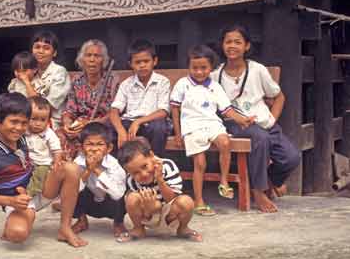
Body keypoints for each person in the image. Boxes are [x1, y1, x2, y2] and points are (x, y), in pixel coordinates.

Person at [0, 93, 87, 247]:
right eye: (13, 122)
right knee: (17, 234)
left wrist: (58, 160)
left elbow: (48, 135)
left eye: (24, 123)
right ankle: (15, 220)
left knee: (72, 169)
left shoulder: (25, 135)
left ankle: (65, 228)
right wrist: (11, 201)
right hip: (18, 201)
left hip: (42, 188)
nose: (19, 128)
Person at [211, 24, 301, 213]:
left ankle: (271, 180)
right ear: (222, 45)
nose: (232, 46)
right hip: (235, 124)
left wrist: (272, 119)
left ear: (247, 46)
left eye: (238, 42)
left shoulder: (257, 70)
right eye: (228, 42)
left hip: (263, 122)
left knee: (292, 157)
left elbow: (279, 96)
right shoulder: (215, 75)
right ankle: (258, 191)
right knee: (260, 138)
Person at [170, 45, 255, 216]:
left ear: (211, 68)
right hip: (191, 127)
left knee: (225, 141)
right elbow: (174, 108)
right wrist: (178, 133)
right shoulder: (183, 84)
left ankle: (223, 180)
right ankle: (199, 200)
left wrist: (242, 120)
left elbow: (227, 110)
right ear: (189, 67)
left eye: (204, 68)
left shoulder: (215, 86)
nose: (199, 72)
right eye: (195, 68)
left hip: (212, 123)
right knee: (200, 163)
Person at [116, 138, 202, 243]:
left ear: (151, 156)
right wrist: (149, 209)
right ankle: (138, 229)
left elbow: (172, 198)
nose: (143, 174)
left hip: (170, 213)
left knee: (186, 201)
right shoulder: (131, 180)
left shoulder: (168, 166)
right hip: (148, 214)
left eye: (145, 166)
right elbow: (143, 209)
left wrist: (160, 180)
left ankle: (183, 229)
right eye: (135, 173)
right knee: (131, 198)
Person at [110, 39, 170, 156]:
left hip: (152, 122)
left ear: (155, 61)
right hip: (130, 123)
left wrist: (139, 121)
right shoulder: (126, 84)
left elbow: (163, 111)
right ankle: (121, 168)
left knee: (159, 127)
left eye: (146, 61)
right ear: (131, 64)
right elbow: (114, 111)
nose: (142, 65)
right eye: (137, 62)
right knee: (110, 129)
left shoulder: (162, 81)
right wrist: (121, 130)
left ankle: (156, 162)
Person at [61, 39, 119, 159]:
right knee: (60, 135)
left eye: (96, 56)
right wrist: (68, 124)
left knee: (94, 137)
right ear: (82, 59)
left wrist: (91, 123)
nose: (92, 60)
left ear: (103, 60)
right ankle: (69, 171)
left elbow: (114, 112)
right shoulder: (77, 80)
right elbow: (70, 110)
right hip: (80, 124)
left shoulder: (113, 80)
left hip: (103, 124)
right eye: (88, 55)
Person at [71, 122, 127, 240]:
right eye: (89, 144)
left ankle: (118, 223)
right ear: (81, 148)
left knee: (123, 193)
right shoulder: (77, 163)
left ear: (109, 148)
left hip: (110, 204)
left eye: (100, 144)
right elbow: (73, 191)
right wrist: (87, 171)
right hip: (89, 203)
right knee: (70, 187)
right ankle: (81, 220)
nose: (94, 149)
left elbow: (117, 194)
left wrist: (96, 169)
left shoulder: (114, 165)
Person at [30, 29, 71, 129]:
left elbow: (45, 107)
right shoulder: (28, 72)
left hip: (51, 122)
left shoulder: (59, 72)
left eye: (46, 48)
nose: (40, 51)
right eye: (37, 47)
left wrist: (26, 82)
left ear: (54, 53)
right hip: (28, 120)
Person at [25, 96, 63, 201]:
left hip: (42, 163)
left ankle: (31, 192)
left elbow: (57, 150)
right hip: (26, 162)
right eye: (33, 119)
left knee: (39, 175)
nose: (38, 123)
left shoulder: (48, 133)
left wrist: (56, 162)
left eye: (43, 120)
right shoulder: (24, 131)